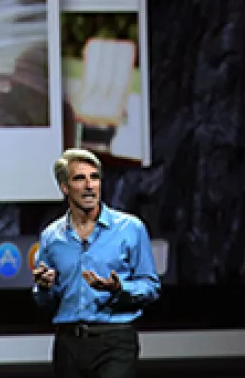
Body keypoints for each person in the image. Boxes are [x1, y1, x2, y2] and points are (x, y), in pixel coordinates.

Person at [32, 148, 161, 378]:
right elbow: (45, 303)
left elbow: (151, 287)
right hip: (69, 342)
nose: (90, 185)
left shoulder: (130, 228)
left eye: (95, 177)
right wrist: (44, 287)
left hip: (115, 339)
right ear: (65, 187)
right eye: (80, 178)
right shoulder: (52, 237)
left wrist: (119, 288)